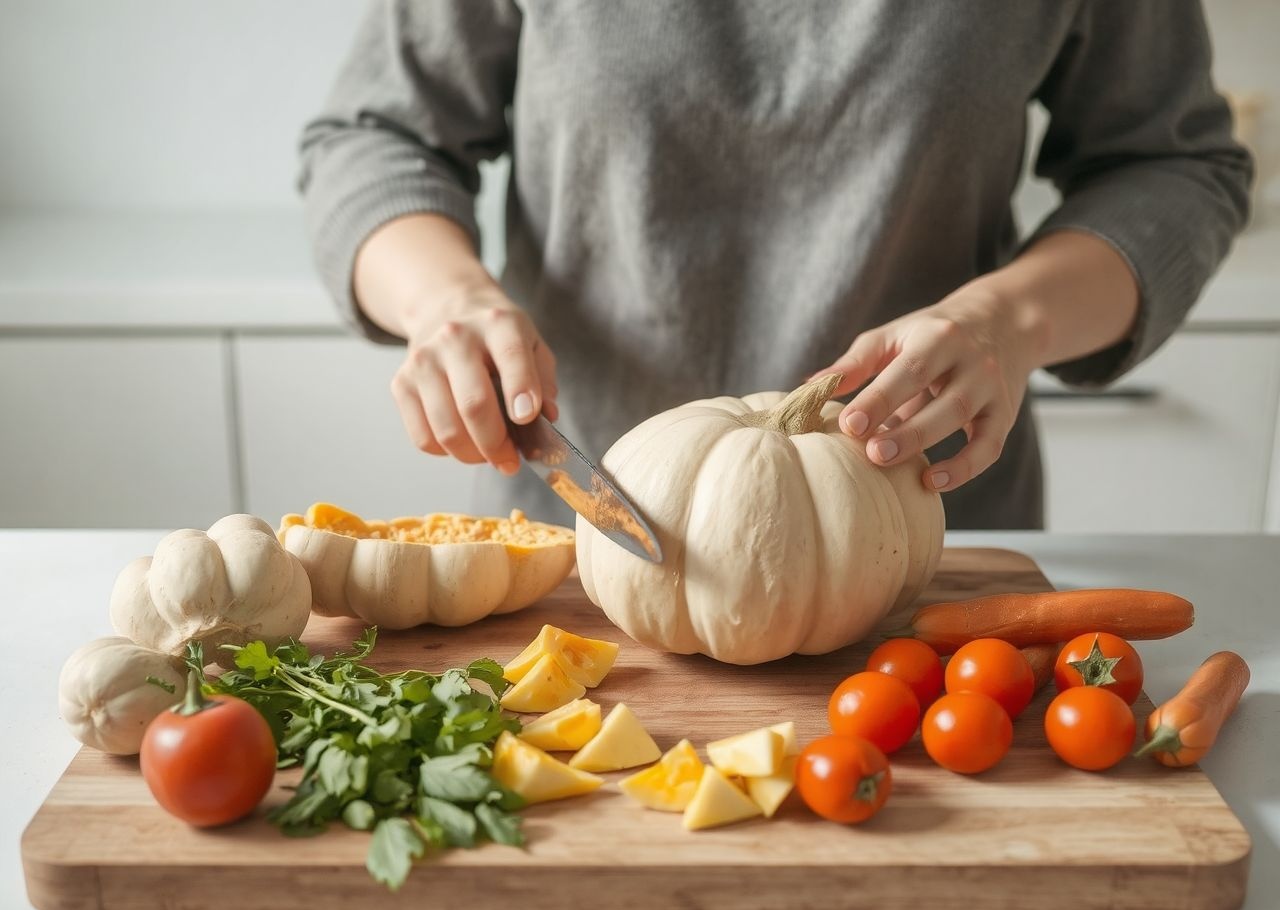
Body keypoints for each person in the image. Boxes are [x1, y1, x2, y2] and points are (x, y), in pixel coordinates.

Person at [299, 1, 1251, 530]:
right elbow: (374, 138)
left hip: (920, 529)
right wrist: (447, 301)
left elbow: (1172, 163)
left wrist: (1010, 318)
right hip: (580, 529)